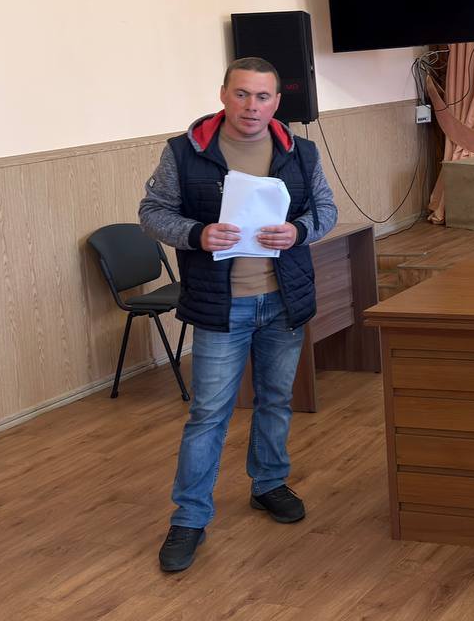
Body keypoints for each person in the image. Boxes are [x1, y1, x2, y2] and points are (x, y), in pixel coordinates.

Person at [139, 57, 338, 573]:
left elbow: (326, 211)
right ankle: (189, 518)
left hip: (283, 301)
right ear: (224, 94)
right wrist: (196, 234)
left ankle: (268, 483)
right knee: (208, 414)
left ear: (277, 102)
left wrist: (300, 231)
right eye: (243, 94)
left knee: (275, 400)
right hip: (220, 306)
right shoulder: (185, 152)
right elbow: (152, 213)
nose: (252, 106)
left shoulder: (301, 151)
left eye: (263, 96)